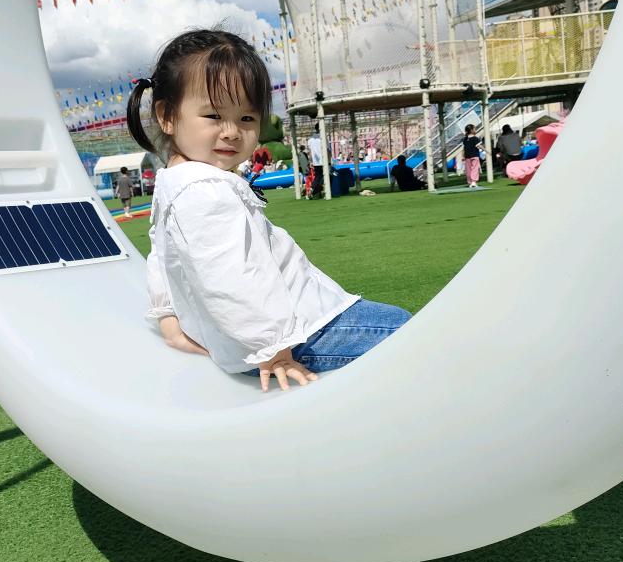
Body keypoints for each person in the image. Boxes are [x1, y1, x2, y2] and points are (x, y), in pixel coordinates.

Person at [126, 28, 411, 392]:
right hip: (295, 331)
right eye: (214, 116)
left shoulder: (174, 182)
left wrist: (168, 316)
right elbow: (232, 278)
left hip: (264, 331)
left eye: (246, 119)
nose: (232, 132)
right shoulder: (205, 190)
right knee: (405, 330)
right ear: (167, 116)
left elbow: (161, 254)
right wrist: (273, 348)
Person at [306, 124, 326, 199]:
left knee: (318, 176)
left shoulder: (310, 139)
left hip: (315, 162)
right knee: (327, 176)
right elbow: (327, 150)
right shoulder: (323, 137)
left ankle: (312, 189)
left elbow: (310, 151)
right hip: (323, 160)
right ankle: (323, 191)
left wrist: (310, 161)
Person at [462, 124, 484, 188]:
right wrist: (486, 150)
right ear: (471, 130)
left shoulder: (465, 139)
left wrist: (463, 156)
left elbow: (463, 148)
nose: (475, 130)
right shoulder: (475, 138)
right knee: (475, 168)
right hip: (474, 156)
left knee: (468, 170)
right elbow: (479, 146)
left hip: (467, 156)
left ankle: (470, 182)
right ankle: (474, 181)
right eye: (474, 129)